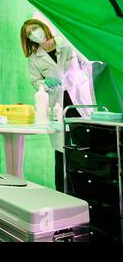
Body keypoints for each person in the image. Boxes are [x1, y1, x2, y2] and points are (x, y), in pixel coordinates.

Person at [20, 18, 94, 192]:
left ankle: (87, 193)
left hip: (80, 105)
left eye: (35, 28)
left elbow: (88, 65)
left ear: (44, 27)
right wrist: (44, 84)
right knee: (61, 153)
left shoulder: (67, 43)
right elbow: (35, 81)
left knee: (85, 150)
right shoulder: (34, 58)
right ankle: (63, 193)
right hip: (58, 109)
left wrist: (79, 80)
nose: (33, 34)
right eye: (29, 34)